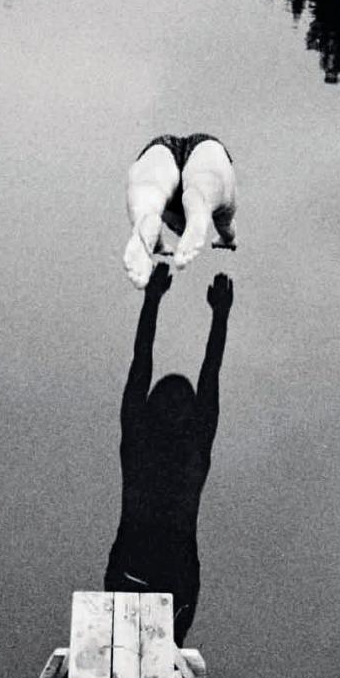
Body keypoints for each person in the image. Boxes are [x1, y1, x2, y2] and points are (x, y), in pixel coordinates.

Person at [104, 263, 233, 646]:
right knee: (140, 654)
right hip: (159, 565)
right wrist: (217, 315)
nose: (177, 405)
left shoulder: (154, 441)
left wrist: (154, 299)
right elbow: (147, 365)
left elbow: (201, 375)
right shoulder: (157, 442)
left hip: (150, 564)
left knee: (138, 653)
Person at [123, 133, 237, 288]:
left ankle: (144, 215)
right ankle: (201, 200)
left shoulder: (164, 212)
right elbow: (226, 228)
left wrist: (159, 247)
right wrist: (228, 239)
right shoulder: (167, 213)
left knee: (151, 191)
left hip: (162, 151)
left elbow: (154, 233)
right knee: (210, 183)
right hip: (205, 151)